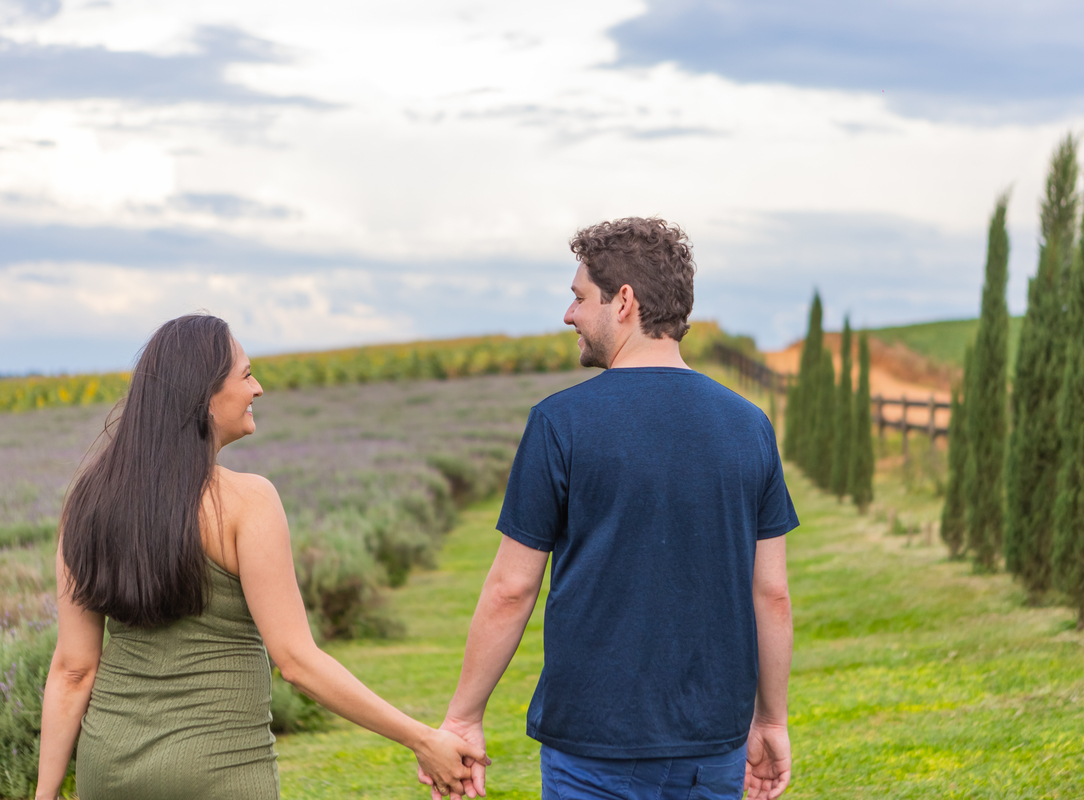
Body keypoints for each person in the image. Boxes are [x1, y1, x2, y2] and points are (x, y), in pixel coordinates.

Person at [36, 314, 486, 800]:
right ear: (205, 396)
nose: (259, 388)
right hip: (217, 771)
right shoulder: (248, 502)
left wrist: (44, 793)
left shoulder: (87, 504)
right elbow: (296, 661)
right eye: (247, 375)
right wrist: (422, 739)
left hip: (108, 769)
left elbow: (73, 670)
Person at [424, 217, 798, 800]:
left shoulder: (559, 422)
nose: (568, 315)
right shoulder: (751, 426)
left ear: (623, 301)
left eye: (579, 298)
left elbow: (511, 590)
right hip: (713, 748)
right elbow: (770, 593)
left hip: (592, 747)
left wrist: (463, 717)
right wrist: (770, 721)